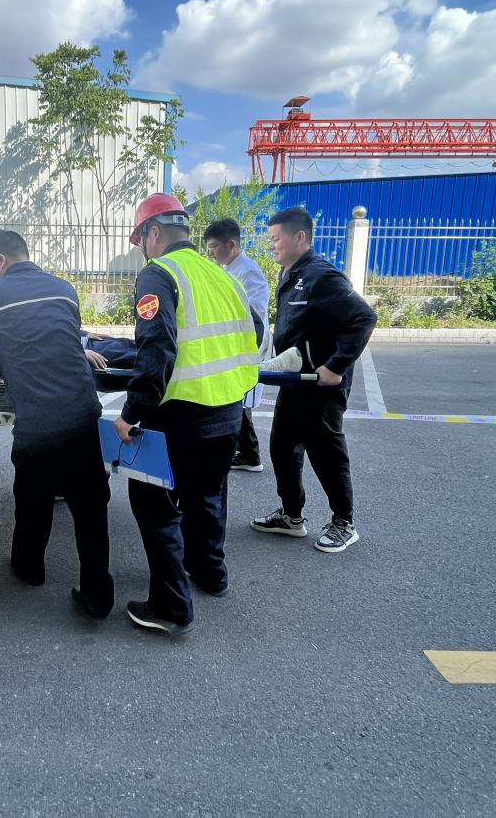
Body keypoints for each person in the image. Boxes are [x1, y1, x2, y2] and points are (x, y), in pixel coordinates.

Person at [0, 230, 115, 618]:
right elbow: (53, 340)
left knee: (33, 500)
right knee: (90, 506)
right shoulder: (64, 289)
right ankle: (97, 596)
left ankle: (29, 570)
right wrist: (6, 351)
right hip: (83, 410)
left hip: (39, 418)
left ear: (0, 260)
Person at [113, 194, 260, 636]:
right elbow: (253, 331)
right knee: (207, 497)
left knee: (154, 505)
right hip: (228, 410)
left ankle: (170, 606)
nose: (143, 249)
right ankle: (211, 574)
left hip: (178, 416)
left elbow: (156, 346)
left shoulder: (159, 273)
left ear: (153, 233)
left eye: (141, 240)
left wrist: (132, 413)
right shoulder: (222, 274)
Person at [251, 206, 376, 553]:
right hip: (295, 381)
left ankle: (344, 523)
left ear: (300, 237)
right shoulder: (290, 274)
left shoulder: (322, 276)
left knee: (326, 454)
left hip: (322, 385)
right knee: (282, 448)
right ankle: (292, 516)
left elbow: (364, 318)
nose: (271, 245)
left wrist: (335, 366)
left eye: (276, 238)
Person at [204, 217, 271, 473]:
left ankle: (250, 453)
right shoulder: (227, 270)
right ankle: (247, 453)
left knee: (238, 399)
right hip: (231, 346)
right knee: (236, 399)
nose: (211, 253)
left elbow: (255, 314)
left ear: (231, 244)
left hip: (246, 347)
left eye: (214, 247)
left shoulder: (248, 272)